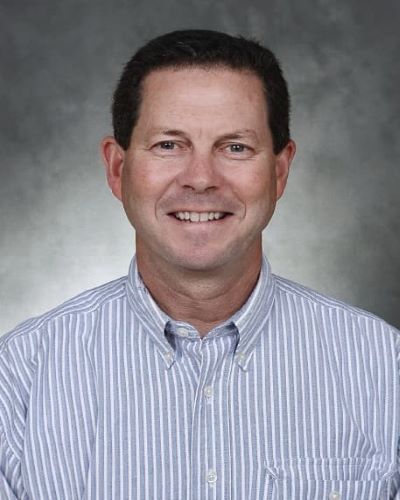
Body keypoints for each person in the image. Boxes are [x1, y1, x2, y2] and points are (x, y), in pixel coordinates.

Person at [0, 29, 399, 500]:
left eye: (235, 147)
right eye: (169, 145)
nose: (201, 179)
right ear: (117, 168)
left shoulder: (384, 368)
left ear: (279, 171)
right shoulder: (19, 378)